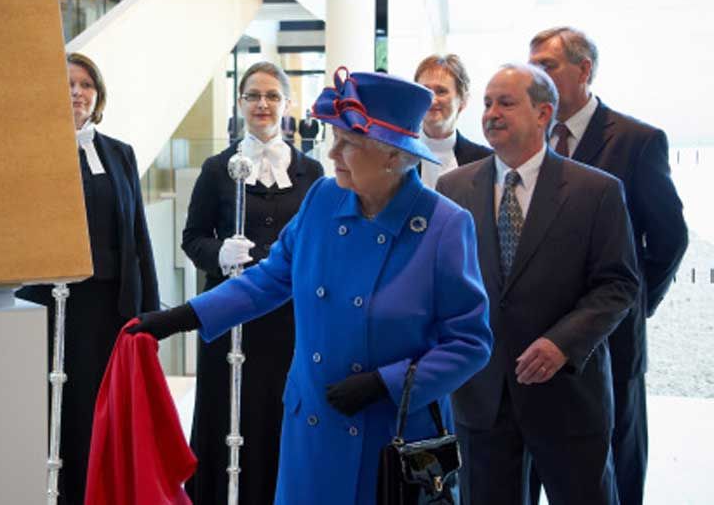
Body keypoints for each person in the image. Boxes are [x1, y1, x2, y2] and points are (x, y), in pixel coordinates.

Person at [130, 68, 492, 505]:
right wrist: (185, 316)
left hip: (387, 435)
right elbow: (270, 277)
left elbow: (469, 343)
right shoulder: (323, 198)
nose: (333, 151)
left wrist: (386, 384)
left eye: (348, 143)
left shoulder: (445, 226)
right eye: (333, 137)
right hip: (313, 424)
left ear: (394, 157)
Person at [436, 64, 640, 505]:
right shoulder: (453, 189)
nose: (491, 113)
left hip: (567, 393)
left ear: (544, 112)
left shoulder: (596, 191)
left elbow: (618, 283)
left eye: (506, 103)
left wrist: (563, 343)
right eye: (488, 103)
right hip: (482, 397)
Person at [528, 26, 688, 505]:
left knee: (614, 467)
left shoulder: (636, 141)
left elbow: (668, 239)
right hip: (535, 338)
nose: (536, 74)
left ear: (584, 70)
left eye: (547, 65)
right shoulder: (529, 139)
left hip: (610, 342)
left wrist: (636, 304)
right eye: (531, 64)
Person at [15, 52, 159, 505]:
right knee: (53, 408)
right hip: (49, 303)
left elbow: (137, 232)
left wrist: (150, 311)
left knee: (99, 412)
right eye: (68, 83)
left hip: (105, 309)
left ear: (97, 96)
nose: (77, 92)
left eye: (86, 85)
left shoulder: (119, 153)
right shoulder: (31, 148)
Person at [181, 61, 324, 505]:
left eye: (272, 96)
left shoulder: (313, 173)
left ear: (286, 103)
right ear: (241, 103)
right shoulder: (215, 168)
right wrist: (219, 255)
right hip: (230, 317)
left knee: (279, 413)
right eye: (253, 96)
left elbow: (320, 244)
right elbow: (193, 239)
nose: (262, 104)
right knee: (226, 415)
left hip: (289, 321)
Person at [413, 53, 492, 189]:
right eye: (425, 90)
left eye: (441, 91)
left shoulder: (485, 160)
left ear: (463, 100)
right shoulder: (397, 157)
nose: (432, 100)